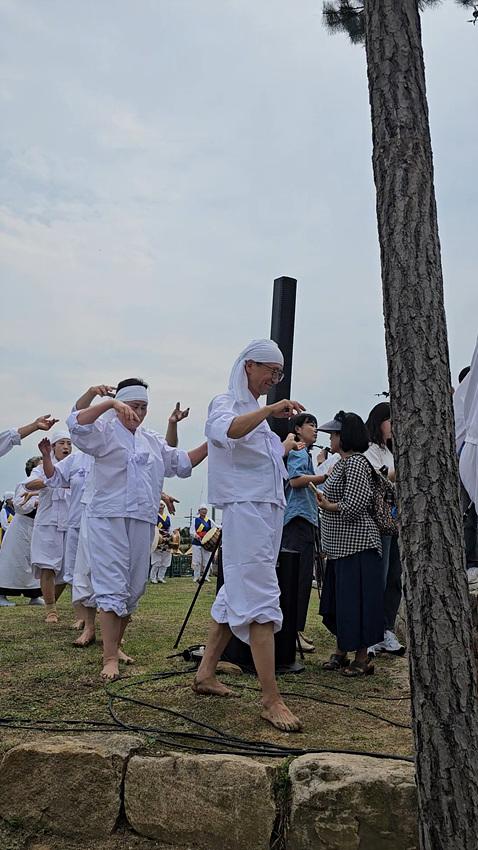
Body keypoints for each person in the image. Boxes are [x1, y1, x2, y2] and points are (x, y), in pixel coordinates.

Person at [193, 339, 304, 733]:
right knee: (259, 597)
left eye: (279, 375)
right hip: (246, 512)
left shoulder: (256, 413)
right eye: (271, 372)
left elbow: (265, 455)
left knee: (232, 596)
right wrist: (271, 411)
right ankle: (271, 699)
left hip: (265, 514)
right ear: (249, 366)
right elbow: (228, 432)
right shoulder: (225, 403)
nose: (274, 380)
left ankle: (205, 673)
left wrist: (283, 438)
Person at [67, 377, 207, 681]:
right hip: (108, 518)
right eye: (133, 405)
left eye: (144, 407)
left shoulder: (151, 440)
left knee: (133, 586)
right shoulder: (103, 432)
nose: (139, 412)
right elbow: (76, 423)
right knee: (111, 582)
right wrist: (108, 402)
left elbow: (182, 463)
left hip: (142, 519)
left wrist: (214, 442)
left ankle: (115, 646)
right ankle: (108, 658)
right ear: (119, 406)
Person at [316, 411, 383, 677]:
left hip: (358, 546)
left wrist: (328, 506)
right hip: (341, 548)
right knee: (342, 602)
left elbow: (356, 505)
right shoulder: (342, 463)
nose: (331, 438)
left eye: (334, 434)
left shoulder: (355, 463)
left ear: (345, 437)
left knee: (357, 602)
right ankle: (343, 650)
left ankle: (362, 657)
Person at [281, 413, 325, 653]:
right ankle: (294, 631)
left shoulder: (303, 453)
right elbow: (296, 480)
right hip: (298, 521)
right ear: (298, 429)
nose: (315, 430)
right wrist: (323, 475)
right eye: (311, 425)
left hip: (303, 520)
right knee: (297, 580)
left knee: (300, 579)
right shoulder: (298, 451)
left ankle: (294, 630)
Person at [364, 402, 405, 656]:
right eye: (390, 419)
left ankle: (386, 629)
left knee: (394, 578)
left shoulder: (391, 450)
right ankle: (370, 633)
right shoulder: (370, 449)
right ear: (378, 422)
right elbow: (378, 476)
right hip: (380, 521)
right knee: (378, 577)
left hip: (396, 521)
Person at [25, 432, 72, 623]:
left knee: (68, 570)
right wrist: (50, 480)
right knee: (47, 565)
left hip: (70, 523)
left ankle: (51, 602)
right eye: (61, 443)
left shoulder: (76, 466)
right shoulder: (43, 467)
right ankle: (51, 611)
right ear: (53, 447)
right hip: (47, 523)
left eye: (69, 443)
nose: (66, 446)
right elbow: (29, 484)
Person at [0, 458, 44, 607]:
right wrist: (35, 502)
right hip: (21, 527)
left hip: (35, 527)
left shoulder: (46, 484)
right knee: (12, 561)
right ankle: (1, 595)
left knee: (34, 561)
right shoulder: (25, 485)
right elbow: (19, 506)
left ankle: (34, 595)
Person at [190, 505, 218, 583]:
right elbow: (192, 531)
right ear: (199, 511)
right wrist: (196, 535)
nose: (204, 511)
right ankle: (196, 576)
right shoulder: (195, 520)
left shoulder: (209, 520)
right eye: (202, 509)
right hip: (197, 543)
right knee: (197, 561)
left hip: (207, 544)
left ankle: (206, 576)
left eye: (205, 509)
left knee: (207, 560)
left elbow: (215, 527)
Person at [150, 501, 173, 584]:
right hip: (157, 539)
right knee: (157, 560)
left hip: (166, 540)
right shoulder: (153, 516)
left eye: (162, 505)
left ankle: (161, 577)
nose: (161, 507)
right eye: (159, 505)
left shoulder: (167, 517)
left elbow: (170, 528)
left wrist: (171, 535)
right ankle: (153, 577)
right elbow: (152, 527)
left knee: (165, 560)